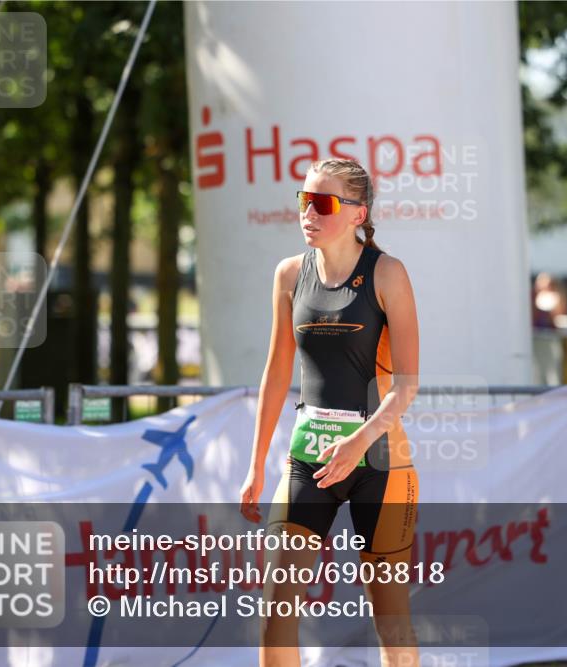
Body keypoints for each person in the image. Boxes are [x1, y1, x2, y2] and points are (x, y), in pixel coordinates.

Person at [240, 158, 421, 667]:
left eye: (322, 203)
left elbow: (407, 384)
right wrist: (256, 465)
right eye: (304, 200)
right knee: (276, 610)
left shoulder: (387, 272)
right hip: (309, 461)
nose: (308, 213)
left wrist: (359, 440)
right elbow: (277, 373)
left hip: (381, 463)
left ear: (358, 213)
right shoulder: (289, 274)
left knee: (390, 619)